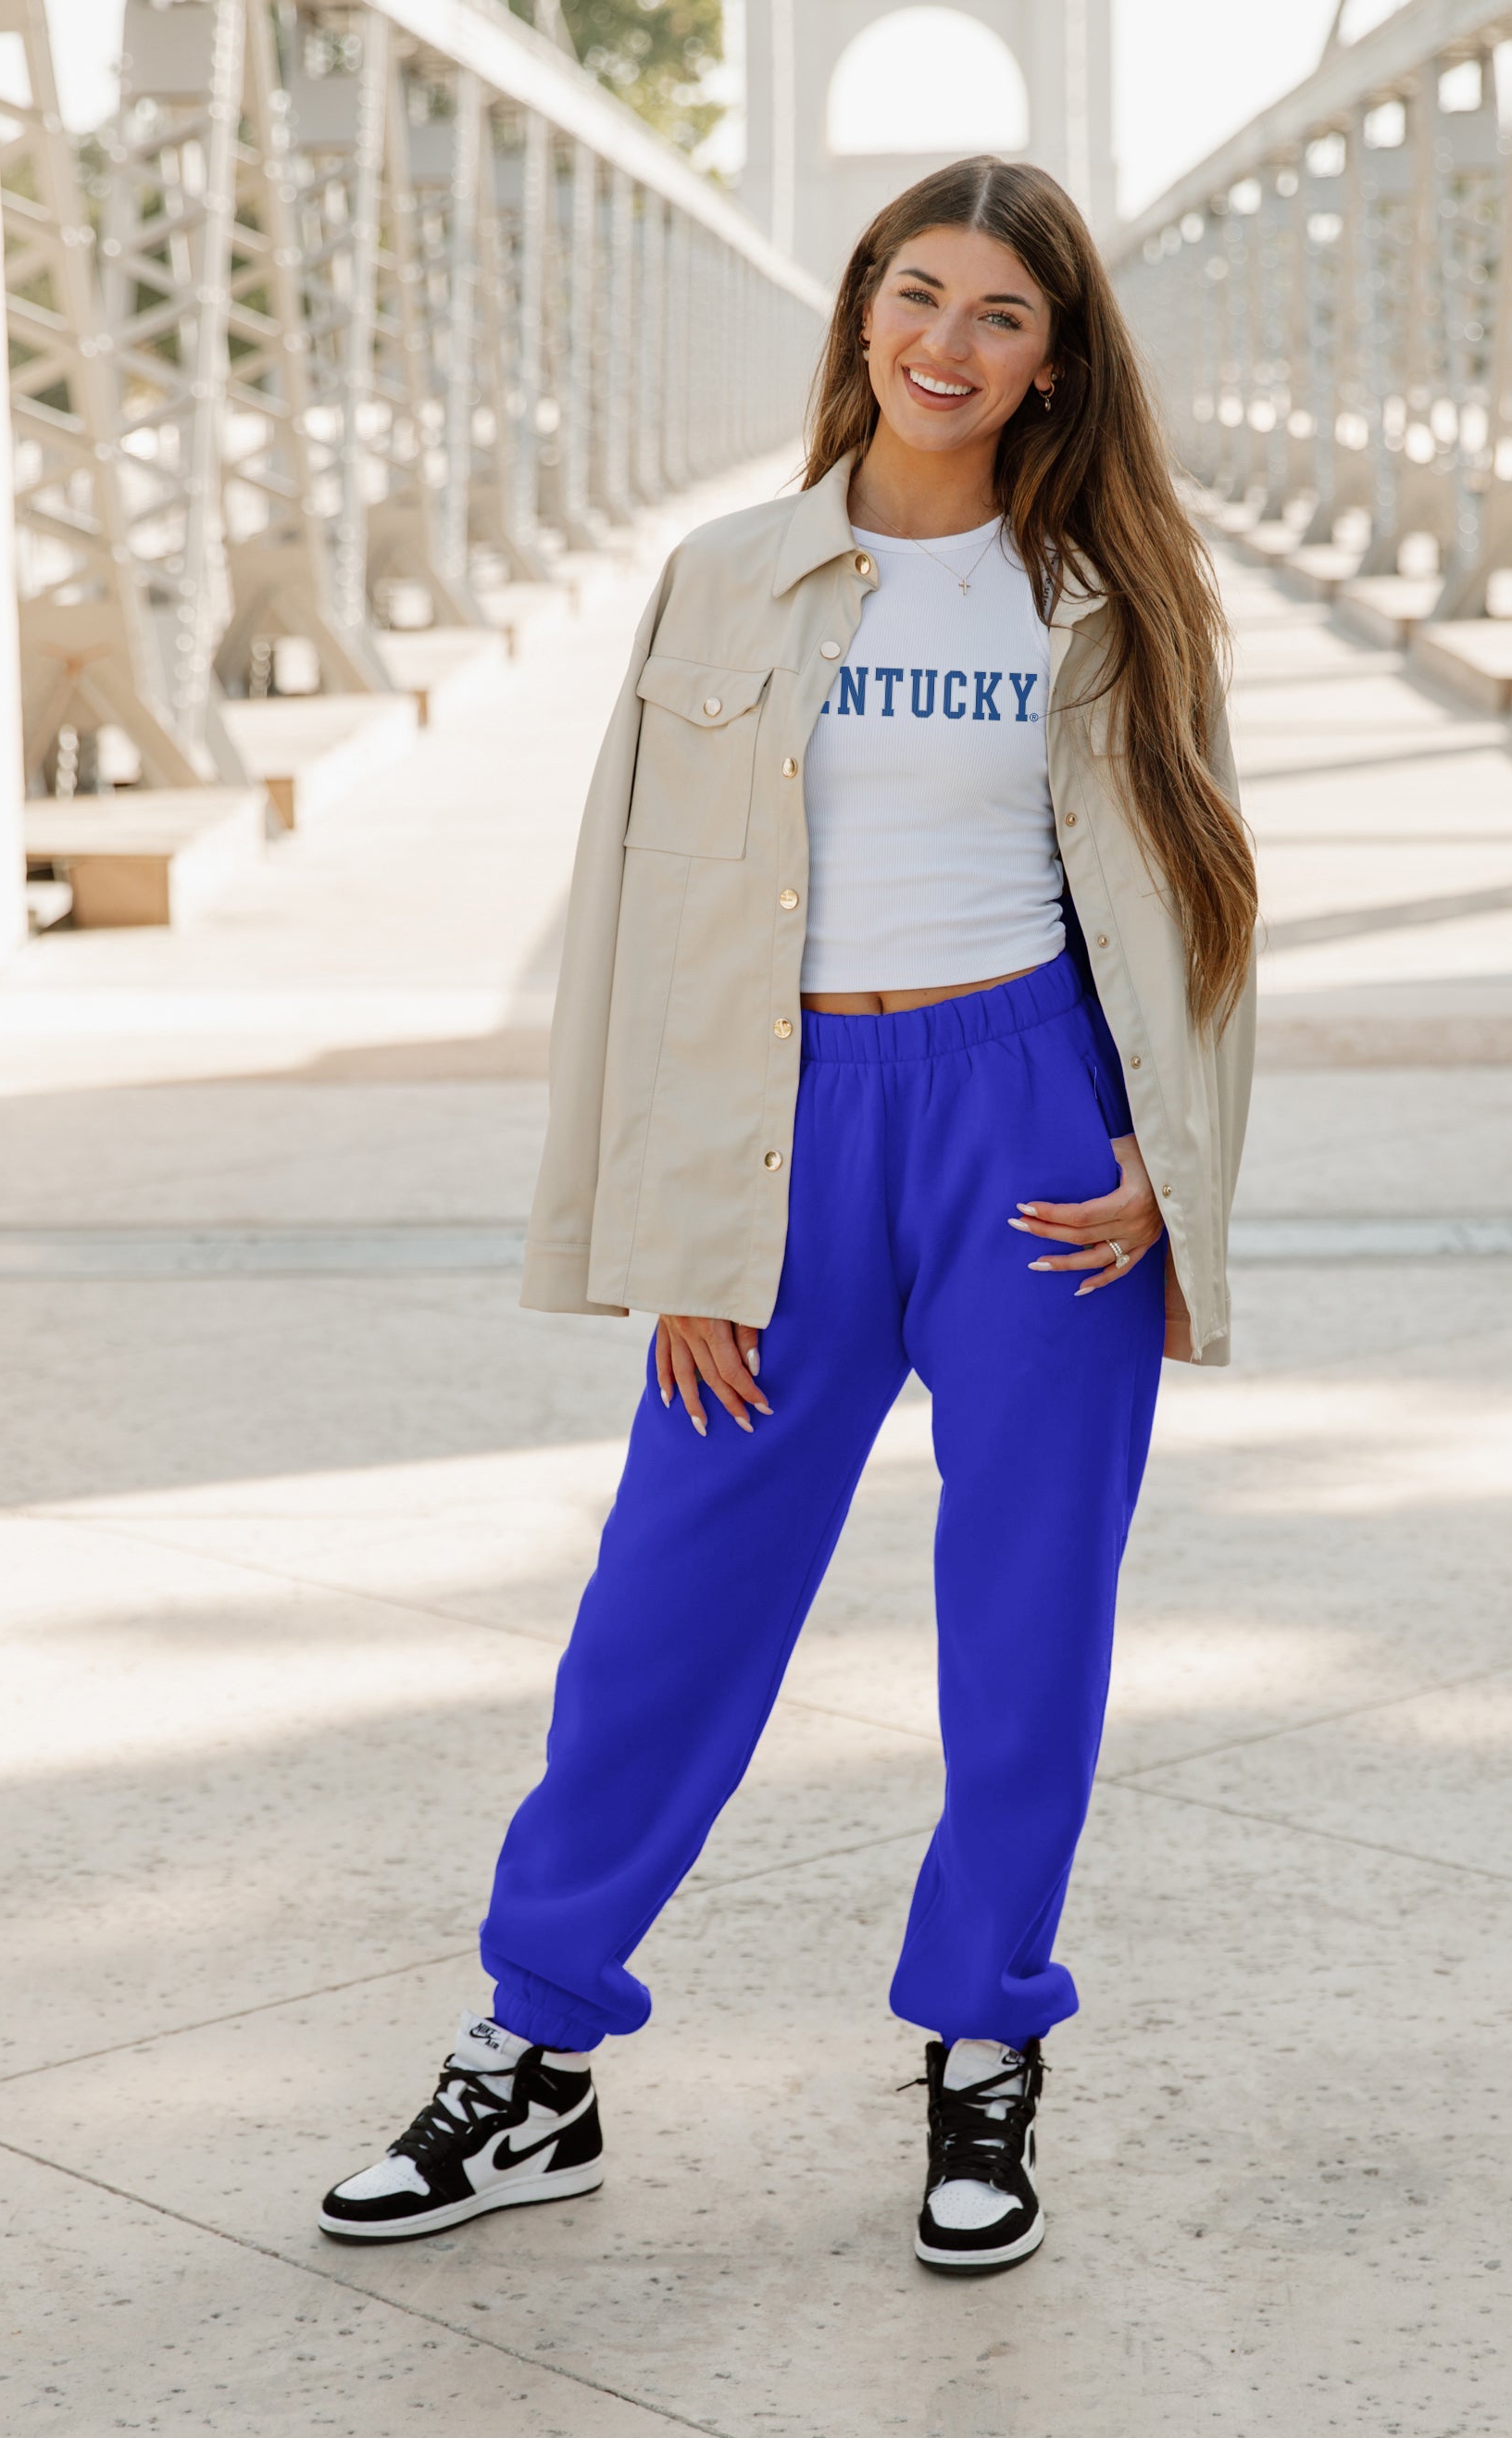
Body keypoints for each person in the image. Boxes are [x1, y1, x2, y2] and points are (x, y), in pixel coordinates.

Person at [319, 156, 1257, 2275]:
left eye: (999, 314)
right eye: (914, 295)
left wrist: (1159, 1168)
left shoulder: (1105, 591)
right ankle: (533, 2056)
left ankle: (982, 2058)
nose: (946, 342)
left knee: (1027, 1630)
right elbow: (644, 919)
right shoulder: (727, 575)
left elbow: (1203, 895)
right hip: (786, 1125)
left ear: (1053, 359)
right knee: (668, 1603)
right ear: (856, 315)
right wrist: (674, 1230)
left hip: (1029, 1127)